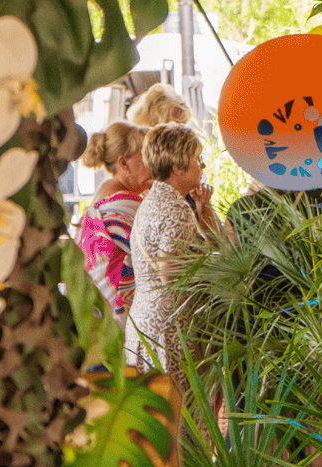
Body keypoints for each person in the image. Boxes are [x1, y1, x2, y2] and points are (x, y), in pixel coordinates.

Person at [130, 123, 220, 367]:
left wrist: (204, 208)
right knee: (177, 393)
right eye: (197, 159)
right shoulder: (176, 208)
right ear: (178, 167)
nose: (202, 166)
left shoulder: (151, 201)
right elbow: (170, 273)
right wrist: (214, 268)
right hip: (169, 329)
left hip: (145, 322)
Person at [77, 122, 150, 316]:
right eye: (146, 156)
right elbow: (165, 254)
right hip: (115, 319)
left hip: (95, 312)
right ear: (124, 164)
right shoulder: (124, 204)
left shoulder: (106, 194)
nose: (154, 163)